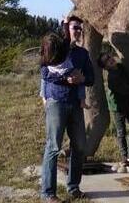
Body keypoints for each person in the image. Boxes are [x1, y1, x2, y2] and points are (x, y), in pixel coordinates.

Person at [39, 18, 94, 202]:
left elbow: (91, 78)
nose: (78, 31)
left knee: (79, 146)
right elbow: (45, 73)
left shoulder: (83, 54)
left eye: (80, 28)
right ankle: (48, 193)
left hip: (75, 105)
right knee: (54, 146)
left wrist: (81, 79)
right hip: (56, 101)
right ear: (67, 29)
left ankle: (73, 187)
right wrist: (66, 80)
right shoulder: (55, 47)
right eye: (74, 28)